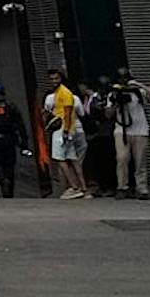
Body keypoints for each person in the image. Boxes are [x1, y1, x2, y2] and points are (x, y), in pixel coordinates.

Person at [107, 71, 150, 199]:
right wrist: (117, 102)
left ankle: (141, 188)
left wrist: (139, 85)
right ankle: (122, 186)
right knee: (122, 159)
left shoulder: (139, 93)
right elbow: (108, 115)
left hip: (140, 130)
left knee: (140, 160)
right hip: (121, 130)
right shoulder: (113, 94)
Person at [43, 68, 88, 199]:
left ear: (61, 78)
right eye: (51, 79)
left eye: (56, 78)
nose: (53, 81)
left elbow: (68, 113)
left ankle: (74, 187)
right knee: (73, 160)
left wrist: (66, 131)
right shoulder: (58, 93)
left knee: (60, 159)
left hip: (62, 129)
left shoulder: (65, 93)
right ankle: (83, 188)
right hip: (66, 129)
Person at [82, 78, 117, 197]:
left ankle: (109, 186)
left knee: (107, 160)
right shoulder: (87, 99)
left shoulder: (98, 98)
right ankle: (100, 185)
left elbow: (104, 115)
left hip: (104, 133)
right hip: (94, 135)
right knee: (97, 161)